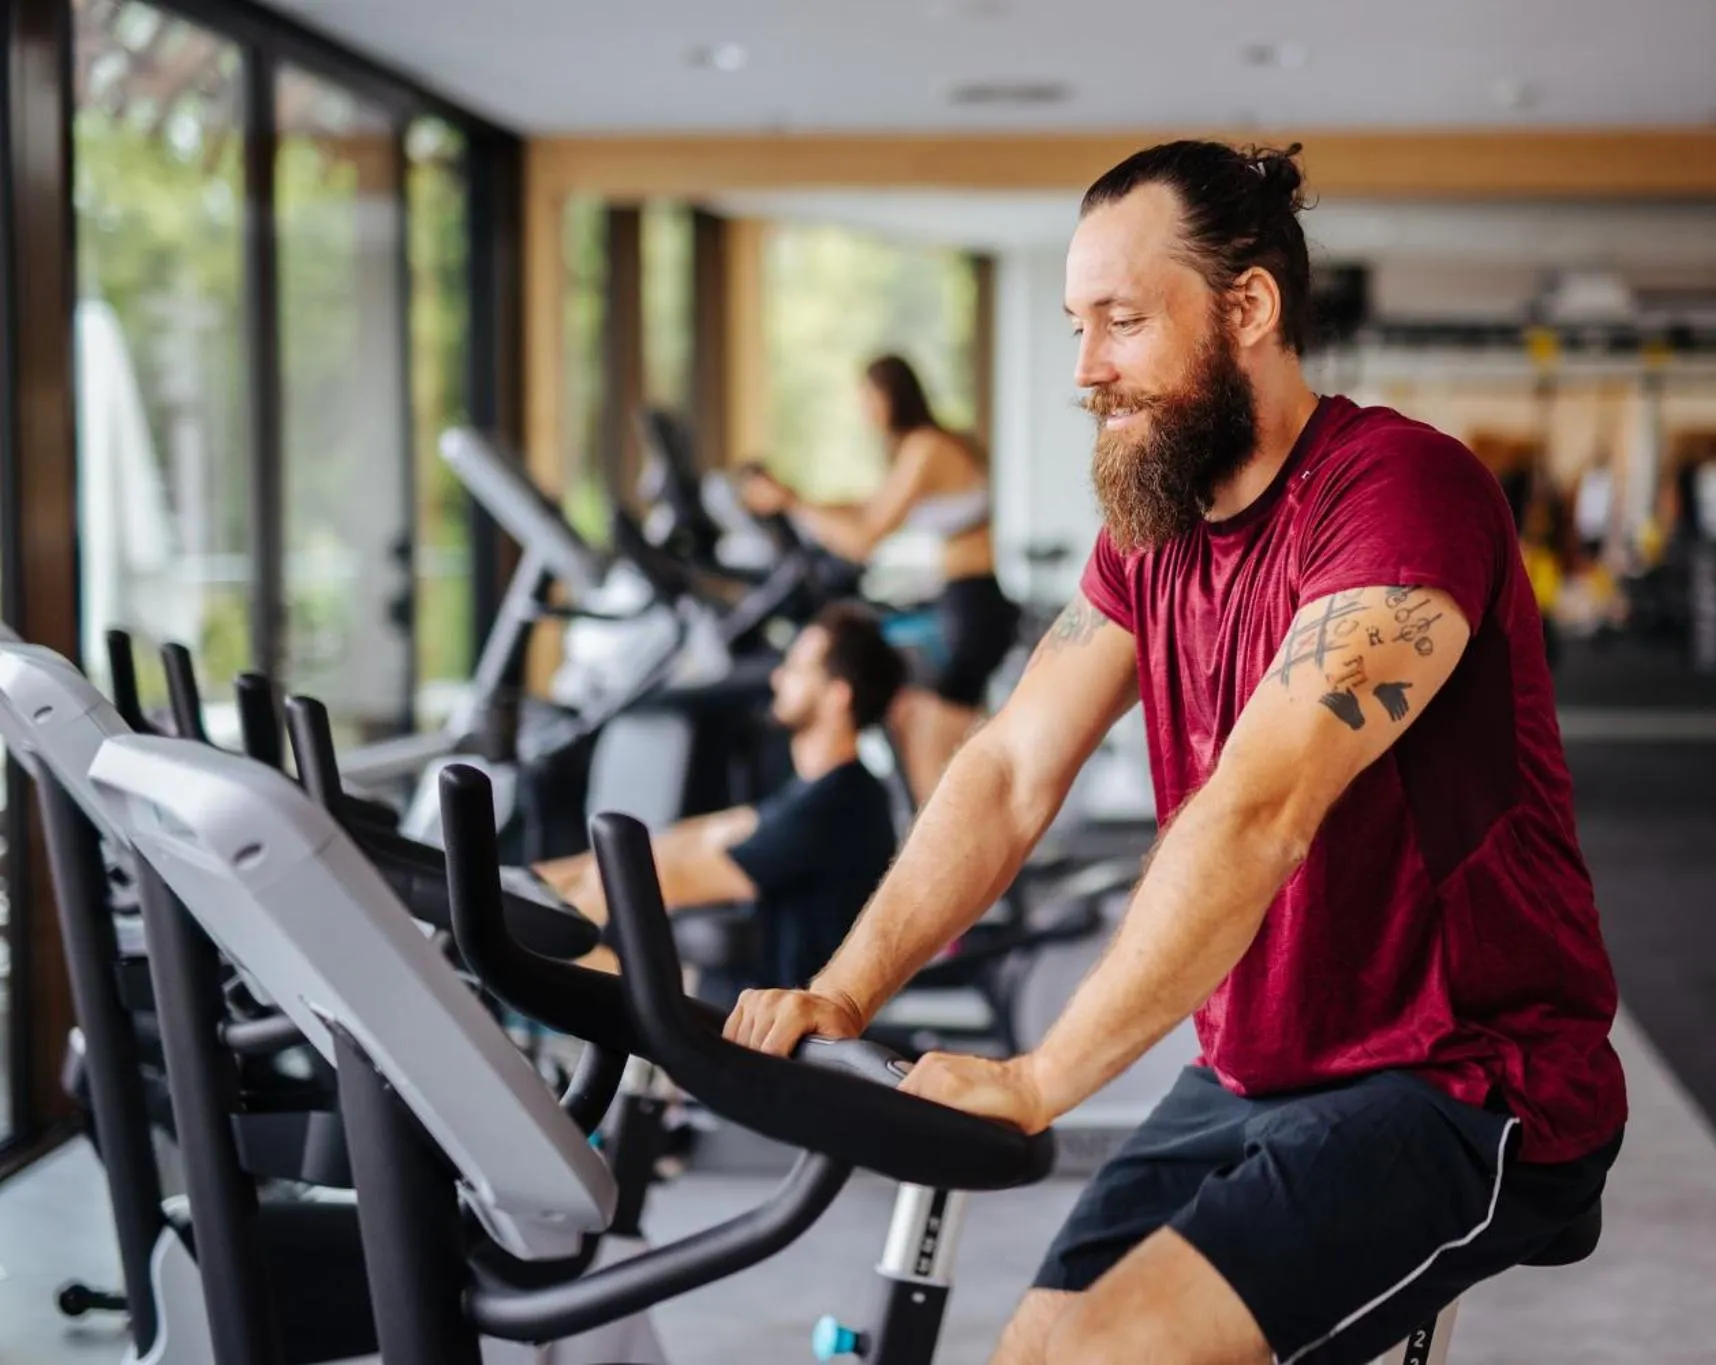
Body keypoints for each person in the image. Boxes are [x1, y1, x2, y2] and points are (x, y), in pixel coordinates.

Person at [723, 140, 1628, 1365]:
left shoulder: (1399, 492)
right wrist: (842, 991)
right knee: (1032, 1356)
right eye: (1074, 325)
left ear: (1246, 307)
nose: (1086, 369)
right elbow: (1006, 770)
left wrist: (1041, 1078)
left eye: (1122, 321)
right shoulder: (1147, 539)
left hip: (1461, 1080)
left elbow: (1259, 808)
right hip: (1250, 1068)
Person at [535, 602, 905, 992]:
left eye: (796, 669)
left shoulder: (839, 805)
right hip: (737, 996)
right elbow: (706, 835)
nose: (778, 677)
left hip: (764, 1023)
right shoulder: (819, 791)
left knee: (595, 918)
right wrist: (545, 878)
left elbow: (674, 876)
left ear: (837, 696)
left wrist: (573, 893)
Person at [740, 355, 1020, 806]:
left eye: (869, 399)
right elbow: (865, 508)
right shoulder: (927, 445)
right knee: (933, 740)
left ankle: (957, 865)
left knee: (936, 764)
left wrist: (790, 502)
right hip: (967, 603)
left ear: (892, 395)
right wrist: (796, 500)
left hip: (971, 609)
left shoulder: (926, 447)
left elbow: (864, 538)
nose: (866, 412)